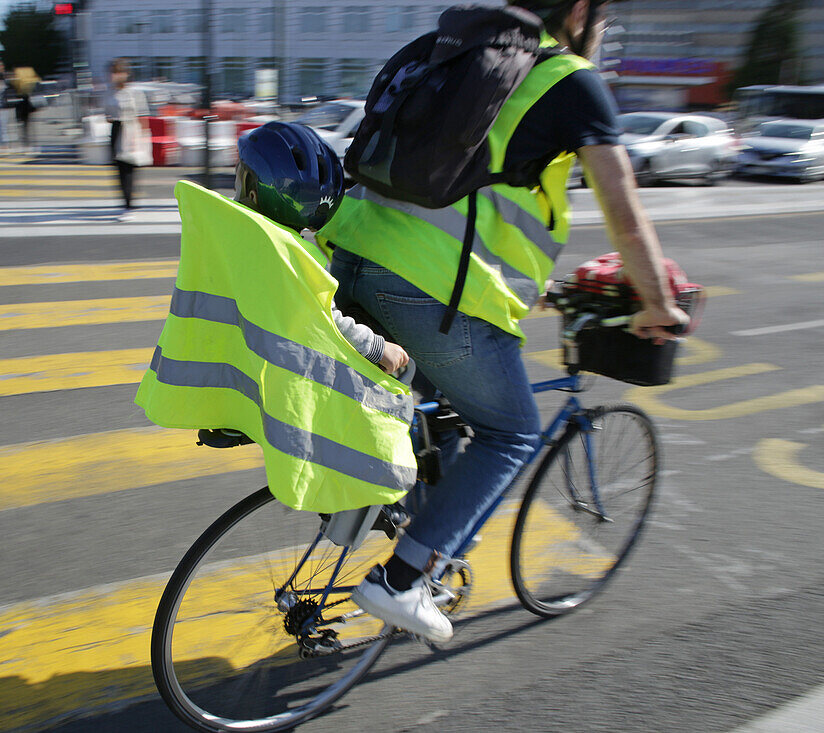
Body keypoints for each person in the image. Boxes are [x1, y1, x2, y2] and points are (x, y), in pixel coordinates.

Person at [319, 0, 689, 644]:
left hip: (348, 258)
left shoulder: (444, 51)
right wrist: (659, 304)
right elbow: (626, 218)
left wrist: (527, 288)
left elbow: (470, 194)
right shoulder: (568, 79)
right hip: (432, 293)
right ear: (579, 9)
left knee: (443, 420)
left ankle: (401, 522)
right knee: (511, 434)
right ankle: (401, 579)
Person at [234, 121, 410, 375]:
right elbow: (326, 321)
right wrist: (377, 348)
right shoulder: (293, 256)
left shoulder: (238, 238)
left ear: (253, 192)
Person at [105, 58, 152, 217]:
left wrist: (143, 136)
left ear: (125, 74)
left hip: (131, 130)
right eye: (113, 73)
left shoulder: (134, 92)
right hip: (117, 129)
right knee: (119, 167)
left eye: (118, 72)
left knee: (130, 168)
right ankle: (126, 202)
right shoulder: (110, 92)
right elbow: (108, 114)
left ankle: (129, 203)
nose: (115, 76)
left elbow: (142, 115)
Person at [9, 66, 41, 154]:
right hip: (28, 102)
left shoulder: (17, 76)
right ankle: (32, 145)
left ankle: (25, 144)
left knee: (22, 126)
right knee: (29, 125)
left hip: (20, 103)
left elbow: (13, 86)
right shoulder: (30, 74)